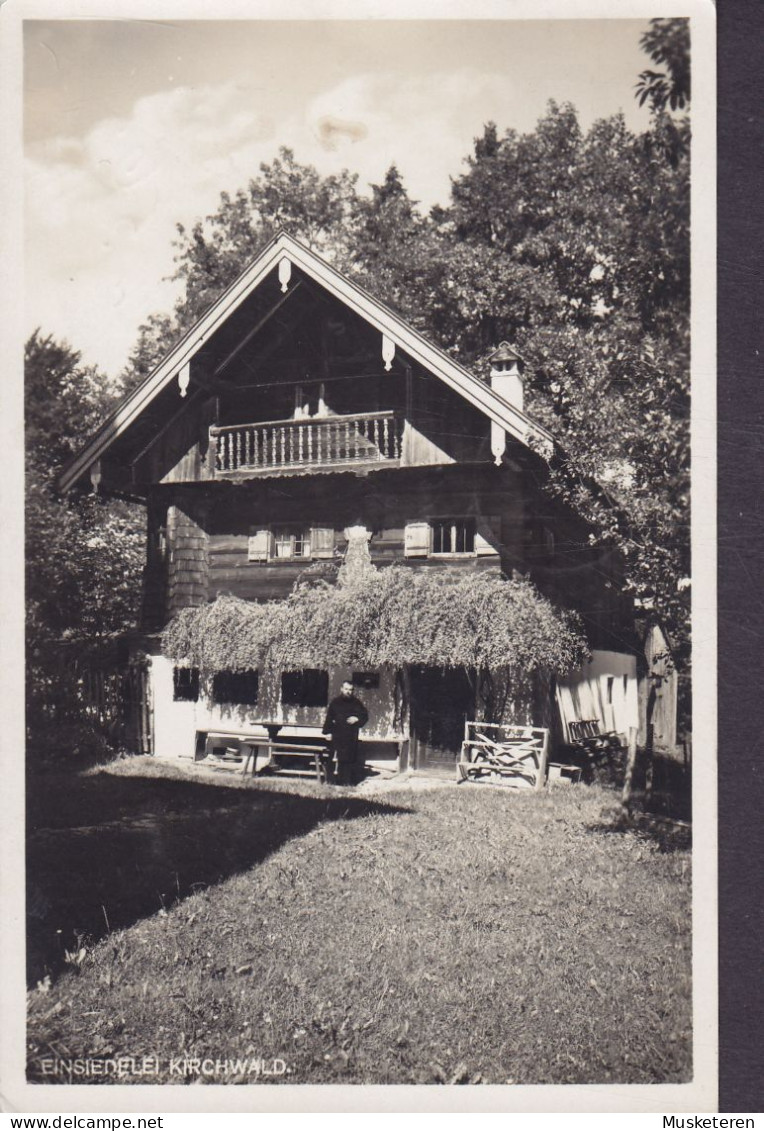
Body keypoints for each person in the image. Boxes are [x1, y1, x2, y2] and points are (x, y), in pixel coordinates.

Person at [322, 678, 369, 785]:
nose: (348, 692)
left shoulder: (357, 703)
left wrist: (357, 719)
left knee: (349, 759)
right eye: (346, 689)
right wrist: (327, 732)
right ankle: (331, 781)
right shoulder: (335, 702)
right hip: (337, 735)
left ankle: (347, 782)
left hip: (350, 736)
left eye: (351, 690)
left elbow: (365, 716)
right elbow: (329, 718)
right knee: (333, 759)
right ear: (341, 689)